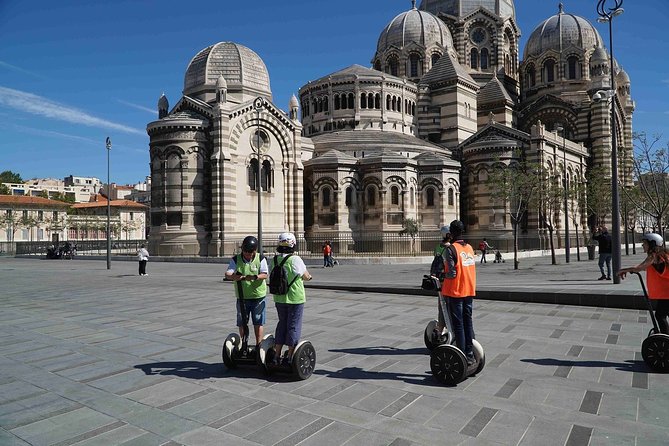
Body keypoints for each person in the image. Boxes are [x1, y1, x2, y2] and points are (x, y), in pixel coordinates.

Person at [272, 232, 312, 365]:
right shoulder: (296, 259)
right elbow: (305, 276)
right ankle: (290, 356)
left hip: (279, 298)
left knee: (282, 324)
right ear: (293, 244)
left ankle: (276, 355)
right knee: (293, 326)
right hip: (295, 298)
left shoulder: (274, 260)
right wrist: (308, 276)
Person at [442, 220, 477, 365]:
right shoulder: (469, 248)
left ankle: (462, 354)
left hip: (456, 291)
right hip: (469, 290)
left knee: (458, 324)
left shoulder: (450, 250)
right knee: (468, 322)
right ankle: (469, 352)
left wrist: (441, 276)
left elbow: (451, 273)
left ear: (451, 233)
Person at [618, 233, 669, 334]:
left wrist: (623, 270)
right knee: (662, 314)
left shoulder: (654, 256)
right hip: (666, 293)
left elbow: (639, 268)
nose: (643, 245)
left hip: (667, 293)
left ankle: (665, 340)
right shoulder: (661, 255)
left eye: (644, 243)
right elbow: (647, 268)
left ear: (652, 244)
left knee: (660, 315)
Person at [225, 236, 269, 348]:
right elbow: (228, 273)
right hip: (242, 297)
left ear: (254, 251)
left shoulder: (261, 259)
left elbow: (265, 274)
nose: (247, 255)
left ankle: (258, 346)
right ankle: (244, 344)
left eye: (250, 253)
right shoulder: (236, 259)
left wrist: (255, 277)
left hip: (258, 297)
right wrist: (235, 276)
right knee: (242, 322)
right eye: (245, 252)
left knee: (258, 322)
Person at [432, 225, 452, 336]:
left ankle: (440, 327)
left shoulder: (437, 247)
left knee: (441, 304)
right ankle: (448, 327)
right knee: (449, 304)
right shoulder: (451, 248)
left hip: (439, 279)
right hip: (448, 279)